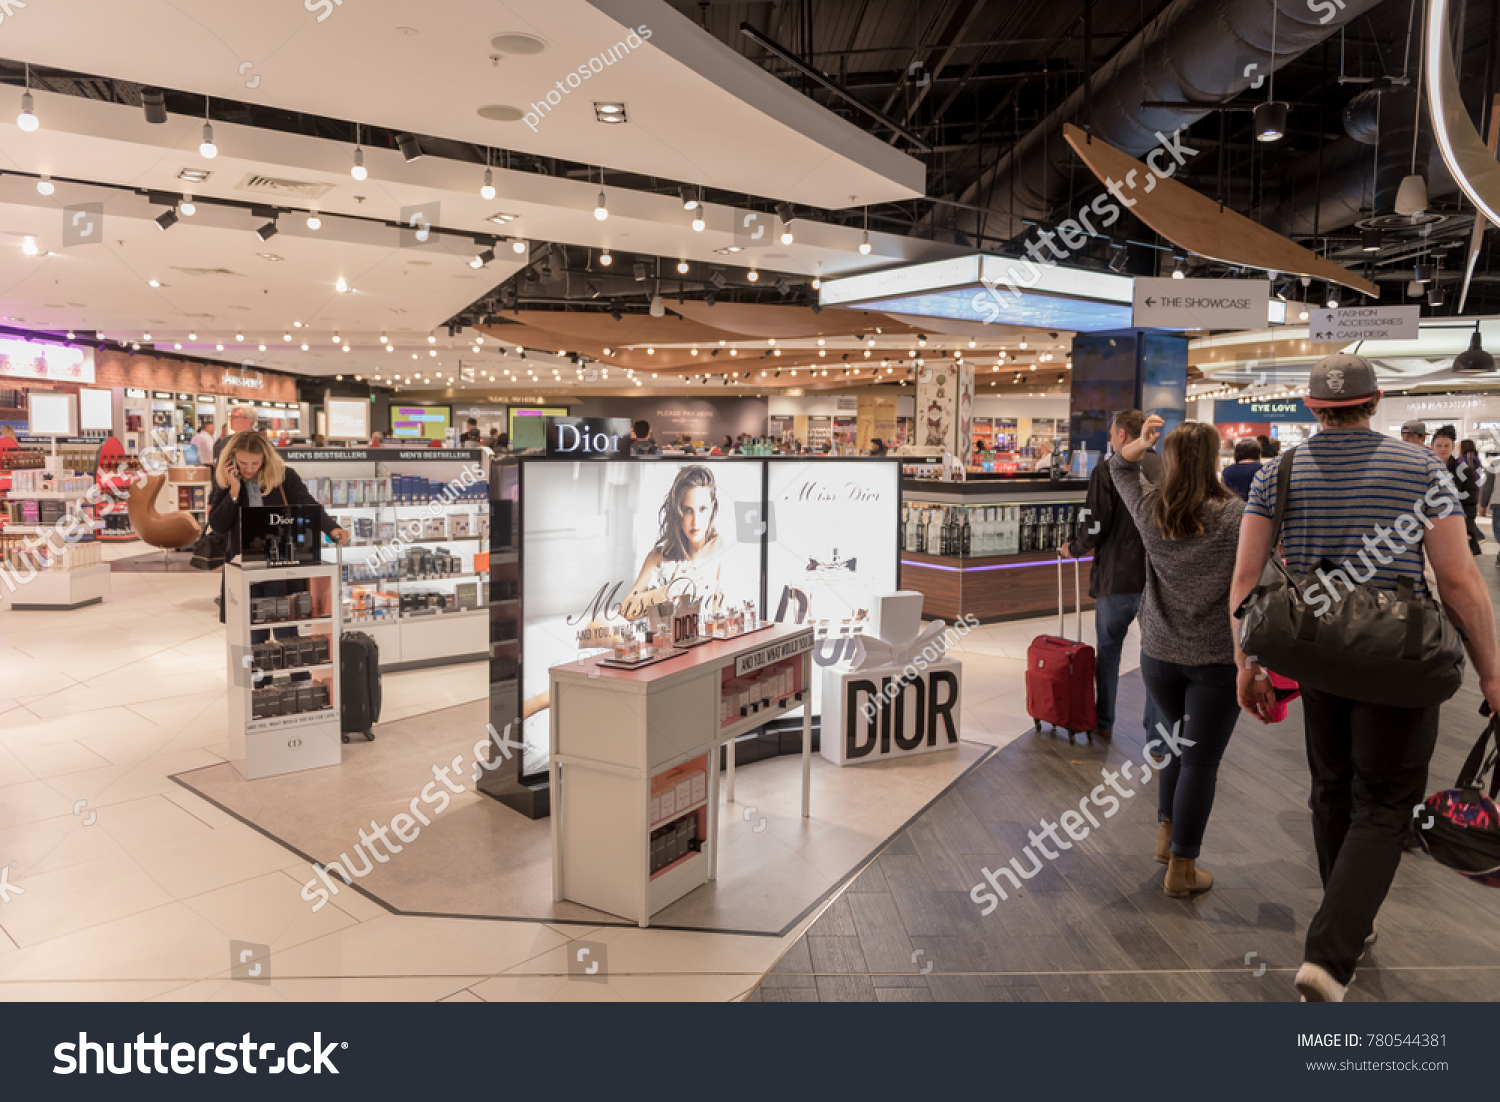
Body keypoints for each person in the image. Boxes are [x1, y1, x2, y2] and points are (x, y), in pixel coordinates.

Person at [1230, 353, 1500, 1002]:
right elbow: (1460, 583)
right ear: (1376, 401)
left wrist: (1247, 662)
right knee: (1384, 803)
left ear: (1311, 408)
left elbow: (1245, 579)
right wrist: (1493, 672)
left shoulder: (1279, 471)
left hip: (1318, 650)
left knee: (1332, 787)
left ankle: (1343, 914)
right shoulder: (1422, 468)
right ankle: (1330, 954)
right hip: (1400, 658)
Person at [1111, 413, 1245, 899]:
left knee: (1174, 744)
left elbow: (1117, 468)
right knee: (1201, 762)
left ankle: (1167, 839)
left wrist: (1140, 443)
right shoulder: (1234, 515)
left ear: (1165, 457)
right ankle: (1183, 870)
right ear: (1214, 459)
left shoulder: (1152, 508)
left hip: (1159, 655)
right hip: (1215, 659)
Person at [1062, 409, 1165, 746]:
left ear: (1122, 435)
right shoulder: (1166, 468)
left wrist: (1075, 548)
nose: (1110, 440)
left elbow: (1094, 522)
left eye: (1110, 434)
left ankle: (1103, 721)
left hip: (1116, 576)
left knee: (1109, 652)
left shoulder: (1108, 470)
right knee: (1156, 655)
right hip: (1157, 578)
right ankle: (1156, 734)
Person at [208, 432, 349, 626]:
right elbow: (218, 526)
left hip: (281, 563)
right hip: (243, 566)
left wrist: (331, 528)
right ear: (231, 460)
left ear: (265, 459)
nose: (249, 469)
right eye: (243, 463)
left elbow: (307, 505)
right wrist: (234, 490)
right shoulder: (225, 481)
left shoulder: (285, 477)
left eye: (255, 463)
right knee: (251, 633)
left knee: (286, 626)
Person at [1431, 427, 1483, 555]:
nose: (1442, 449)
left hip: (1454, 525)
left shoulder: (1464, 471)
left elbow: (1469, 504)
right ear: (1432, 447)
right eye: (1439, 445)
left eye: (1446, 445)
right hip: (1429, 525)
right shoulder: (1424, 469)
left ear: (1453, 447)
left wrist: (1468, 530)